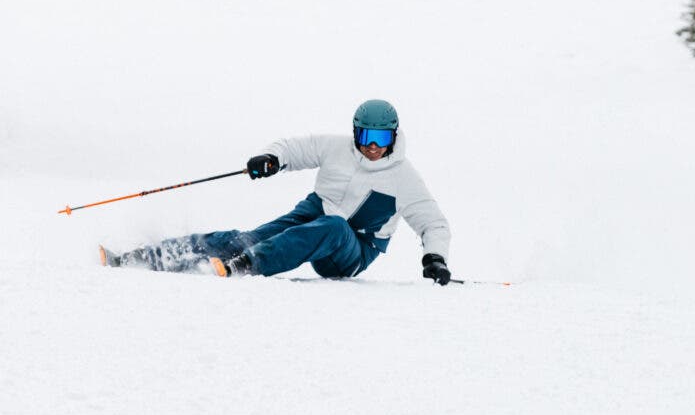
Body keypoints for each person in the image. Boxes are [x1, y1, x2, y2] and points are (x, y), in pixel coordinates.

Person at [101, 100, 453, 284]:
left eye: (381, 138)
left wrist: (434, 258)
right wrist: (272, 159)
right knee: (244, 237)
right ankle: (143, 258)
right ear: (355, 133)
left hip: (353, 247)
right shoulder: (336, 148)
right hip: (314, 213)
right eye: (366, 137)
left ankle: (246, 265)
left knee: (334, 227)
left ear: (393, 137)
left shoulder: (404, 178)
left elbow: (433, 223)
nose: (373, 146)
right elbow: (294, 148)